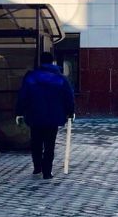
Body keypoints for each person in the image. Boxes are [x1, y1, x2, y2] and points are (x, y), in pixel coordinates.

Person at [15, 51, 75, 180]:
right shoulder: (60, 79)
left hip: (35, 116)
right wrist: (71, 112)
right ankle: (47, 172)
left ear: (40, 62)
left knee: (36, 143)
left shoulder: (31, 77)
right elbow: (68, 97)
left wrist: (19, 112)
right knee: (50, 145)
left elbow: (23, 96)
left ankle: (37, 168)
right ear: (52, 62)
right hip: (53, 117)